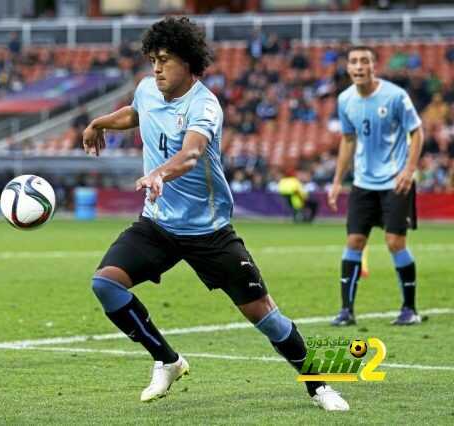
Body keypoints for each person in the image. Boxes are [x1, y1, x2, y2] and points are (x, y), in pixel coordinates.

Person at [82, 17, 348, 411]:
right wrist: (98, 122)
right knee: (105, 285)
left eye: (165, 60)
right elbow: (135, 113)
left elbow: (191, 153)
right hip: (157, 224)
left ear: (188, 62)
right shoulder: (147, 89)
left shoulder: (204, 104)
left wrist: (159, 173)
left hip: (209, 232)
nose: (156, 68)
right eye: (153, 59)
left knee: (266, 317)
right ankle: (167, 359)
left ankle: (320, 385)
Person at [328, 45, 423, 327]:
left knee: (395, 242)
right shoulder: (345, 100)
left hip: (396, 181)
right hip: (362, 184)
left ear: (373, 67)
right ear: (348, 68)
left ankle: (410, 309)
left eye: (364, 61)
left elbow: (417, 132)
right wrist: (337, 181)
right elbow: (347, 140)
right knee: (354, 241)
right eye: (354, 62)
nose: (358, 66)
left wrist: (409, 170)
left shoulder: (395, 96)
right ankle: (346, 310)